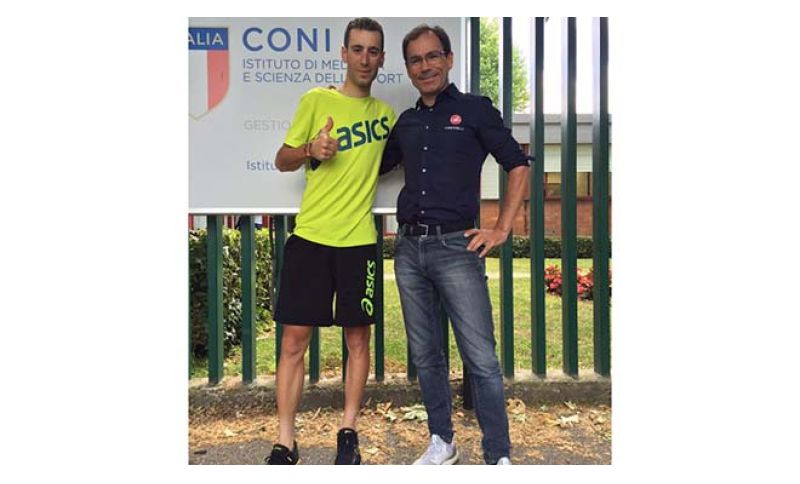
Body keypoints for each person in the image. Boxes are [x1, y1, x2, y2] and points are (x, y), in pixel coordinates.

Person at [380, 24, 531, 465]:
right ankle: (442, 442)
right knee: (426, 355)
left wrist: (501, 228)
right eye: (415, 60)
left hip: (456, 251)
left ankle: (497, 455)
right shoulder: (406, 123)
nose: (425, 66)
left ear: (448, 59)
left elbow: (517, 165)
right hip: (409, 251)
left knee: (480, 357)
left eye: (432, 56)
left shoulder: (475, 110)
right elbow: (372, 166)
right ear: (408, 68)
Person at [266, 17, 396, 465]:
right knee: (293, 342)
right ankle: (286, 441)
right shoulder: (316, 100)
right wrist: (309, 150)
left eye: (373, 51)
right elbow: (281, 160)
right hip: (311, 238)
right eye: (357, 49)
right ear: (344, 54)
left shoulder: (386, 116)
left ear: (382, 58)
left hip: (358, 243)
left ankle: (348, 432)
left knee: (358, 341)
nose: (365, 58)